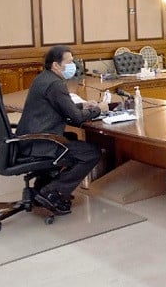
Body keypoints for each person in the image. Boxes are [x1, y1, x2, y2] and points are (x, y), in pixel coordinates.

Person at [16, 45, 108, 215]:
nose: (74, 65)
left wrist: (82, 105)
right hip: (41, 143)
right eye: (70, 62)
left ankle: (43, 185)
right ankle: (53, 192)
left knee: (71, 137)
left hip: (26, 140)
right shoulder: (55, 84)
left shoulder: (43, 78)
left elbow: (59, 106)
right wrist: (99, 109)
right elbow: (76, 118)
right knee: (91, 152)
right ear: (56, 65)